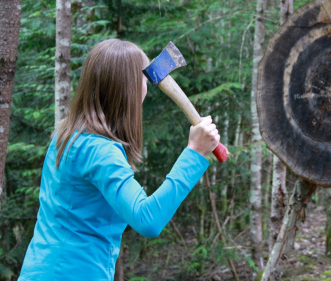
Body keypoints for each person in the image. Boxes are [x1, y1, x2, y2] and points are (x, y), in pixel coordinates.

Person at [18, 39, 220, 280]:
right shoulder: (100, 150)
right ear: (129, 87)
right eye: (144, 78)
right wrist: (194, 153)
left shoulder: (68, 134)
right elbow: (148, 220)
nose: (148, 85)